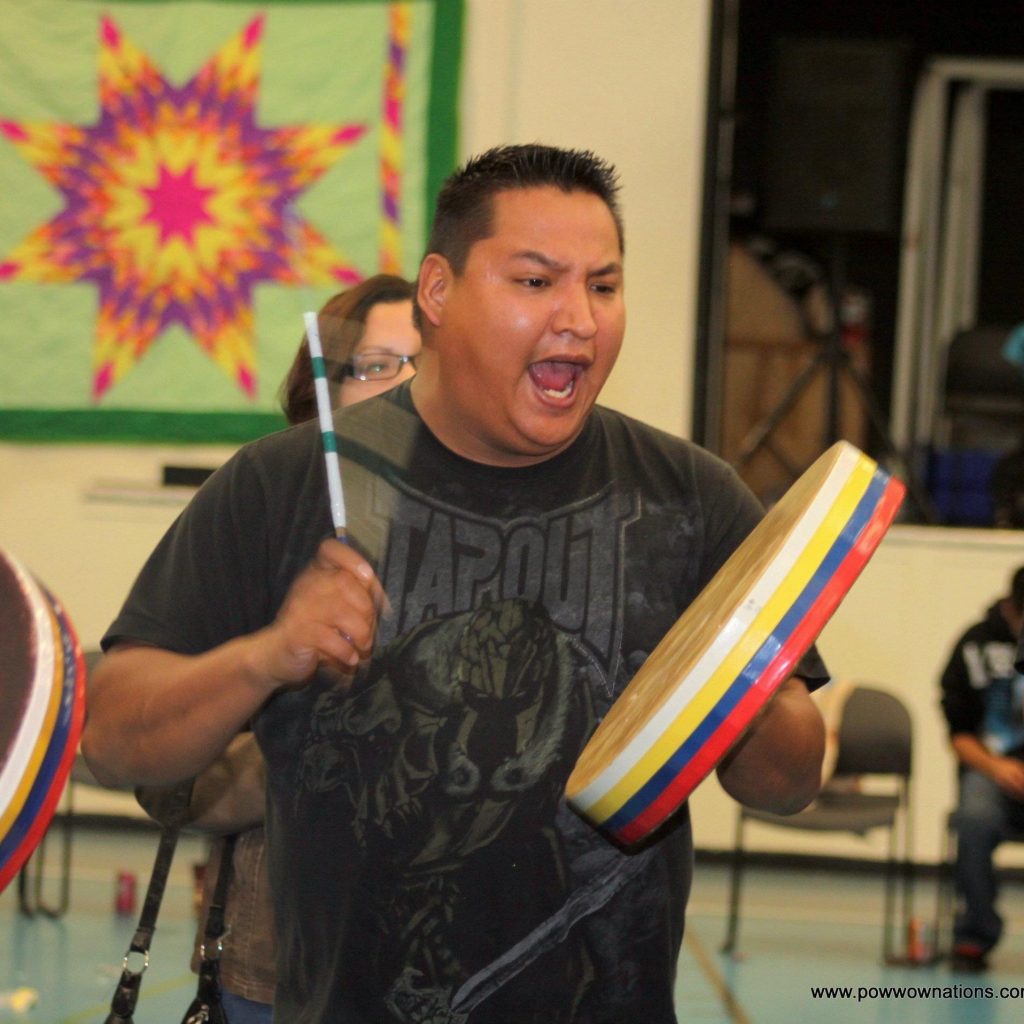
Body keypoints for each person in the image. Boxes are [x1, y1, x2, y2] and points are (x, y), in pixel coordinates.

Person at [83, 144, 827, 1023]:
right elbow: (108, 736)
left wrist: (724, 689)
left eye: (603, 285)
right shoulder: (282, 486)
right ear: (438, 292)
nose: (579, 320)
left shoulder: (690, 498)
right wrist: (263, 658)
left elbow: (794, 778)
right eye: (536, 282)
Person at [136, 274, 419, 1024]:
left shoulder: (511, 536)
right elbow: (167, 784)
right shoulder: (258, 527)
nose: (408, 387)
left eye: (427, 363)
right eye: (379, 364)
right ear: (321, 396)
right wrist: (309, 724)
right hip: (275, 974)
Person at [940, 565, 1024, 972]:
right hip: (991, 770)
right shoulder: (975, 644)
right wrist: (996, 766)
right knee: (973, 817)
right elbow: (957, 734)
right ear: (1012, 608)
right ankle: (975, 933)